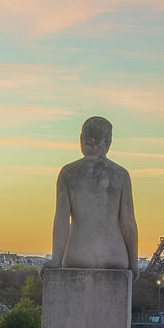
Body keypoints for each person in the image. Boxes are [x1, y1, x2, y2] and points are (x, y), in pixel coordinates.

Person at [46, 116, 138, 278]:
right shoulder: (121, 175)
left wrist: (56, 259)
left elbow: (61, 221)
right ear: (108, 143)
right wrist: (134, 264)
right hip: (114, 256)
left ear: (81, 140)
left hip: (77, 255)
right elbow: (128, 225)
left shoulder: (68, 173)